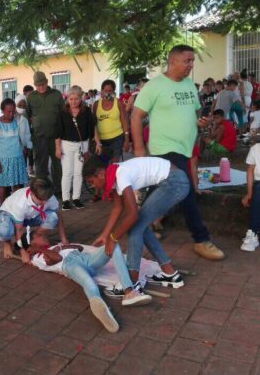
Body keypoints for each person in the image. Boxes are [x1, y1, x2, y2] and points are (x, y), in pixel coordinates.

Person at [131, 44, 225, 260]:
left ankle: (139, 224)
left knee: (160, 191)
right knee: (186, 190)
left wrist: (201, 123)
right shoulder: (154, 86)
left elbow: (194, 113)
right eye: (187, 61)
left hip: (185, 148)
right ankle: (201, 239)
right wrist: (138, 148)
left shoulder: (190, 86)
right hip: (164, 148)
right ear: (172, 61)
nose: (191, 65)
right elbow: (136, 116)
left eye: (193, 61)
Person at [83, 156, 188, 289]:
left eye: (92, 181)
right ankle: (170, 274)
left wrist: (113, 237)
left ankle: (131, 283)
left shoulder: (121, 175)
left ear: (101, 175)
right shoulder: (113, 173)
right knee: (140, 227)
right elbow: (118, 208)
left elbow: (132, 215)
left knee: (136, 227)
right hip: (174, 180)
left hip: (174, 182)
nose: (93, 186)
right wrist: (105, 235)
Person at [27, 230, 151, 333]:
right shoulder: (37, 259)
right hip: (70, 265)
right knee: (88, 283)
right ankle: (100, 307)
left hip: (86, 259)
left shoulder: (56, 245)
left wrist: (60, 246)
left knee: (112, 246)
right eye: (38, 236)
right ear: (31, 243)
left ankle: (129, 292)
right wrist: (39, 249)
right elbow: (57, 258)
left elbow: (79, 247)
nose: (43, 235)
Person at [0, 177, 68, 261]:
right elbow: (18, 229)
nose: (44, 202)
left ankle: (35, 238)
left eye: (46, 199)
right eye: (41, 200)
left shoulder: (49, 197)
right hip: (10, 215)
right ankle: (7, 243)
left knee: (53, 217)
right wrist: (23, 251)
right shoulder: (20, 203)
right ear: (32, 193)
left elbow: (59, 217)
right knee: (4, 231)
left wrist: (64, 239)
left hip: (32, 216)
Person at [55, 86, 100, 210]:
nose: (73, 101)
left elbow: (93, 127)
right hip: (66, 145)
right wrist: (57, 148)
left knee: (79, 172)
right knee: (67, 173)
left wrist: (98, 142)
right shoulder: (62, 113)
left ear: (81, 98)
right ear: (67, 99)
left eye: (76, 99)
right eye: (71, 99)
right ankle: (65, 200)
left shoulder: (86, 112)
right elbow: (57, 132)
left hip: (82, 145)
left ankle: (76, 198)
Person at [27, 71, 64, 196]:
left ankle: (59, 189)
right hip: (39, 137)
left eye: (42, 84)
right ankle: (42, 191)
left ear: (47, 82)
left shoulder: (56, 95)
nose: (40, 87)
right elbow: (27, 118)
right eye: (38, 85)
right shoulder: (31, 97)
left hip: (56, 137)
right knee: (40, 166)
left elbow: (63, 114)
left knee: (57, 164)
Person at [0, 98, 29, 203]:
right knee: (3, 184)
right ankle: (3, 207)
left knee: (17, 184)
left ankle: (18, 207)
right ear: (3, 111)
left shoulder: (18, 121)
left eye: (13, 111)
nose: (11, 114)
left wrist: (25, 147)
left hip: (17, 158)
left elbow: (22, 137)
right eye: (8, 111)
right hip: (4, 160)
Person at [93, 79, 130, 163]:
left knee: (114, 164)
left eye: (110, 91)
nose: (107, 93)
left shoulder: (119, 103)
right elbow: (93, 123)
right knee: (104, 163)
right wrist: (96, 140)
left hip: (117, 138)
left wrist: (127, 140)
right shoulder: (96, 104)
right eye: (105, 90)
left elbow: (125, 122)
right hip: (102, 140)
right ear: (102, 90)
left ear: (113, 91)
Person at [241, 142, 260, 251]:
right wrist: (249, 193)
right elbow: (250, 171)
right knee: (258, 190)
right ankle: (252, 233)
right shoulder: (256, 148)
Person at [14, 94, 33, 175]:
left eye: (23, 106)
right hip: (12, 151)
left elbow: (27, 135)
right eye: (20, 105)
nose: (21, 108)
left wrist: (29, 147)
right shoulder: (10, 119)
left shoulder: (24, 120)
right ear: (15, 104)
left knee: (21, 172)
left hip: (23, 151)